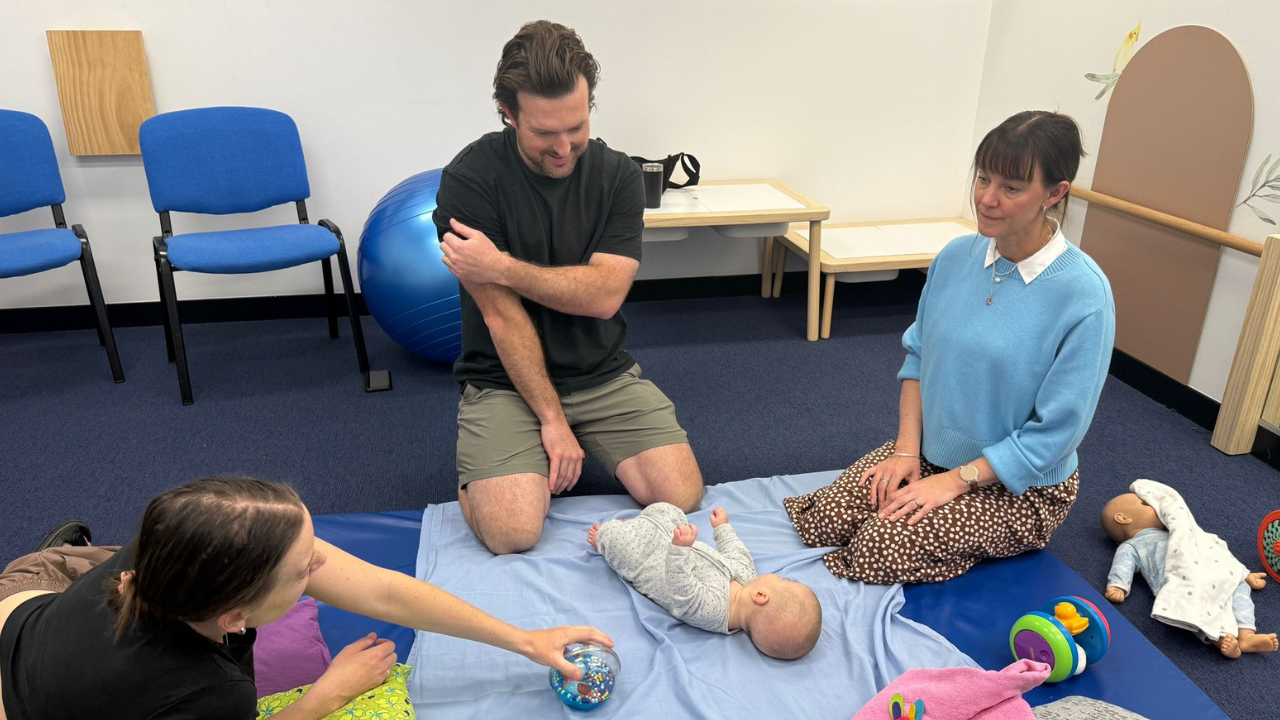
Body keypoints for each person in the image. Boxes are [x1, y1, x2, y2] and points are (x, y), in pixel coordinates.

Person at [784, 110, 1116, 584]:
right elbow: (918, 358)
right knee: (826, 519)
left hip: (1019, 489)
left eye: (1011, 188)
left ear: (1055, 193)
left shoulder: (1084, 295)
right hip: (930, 455)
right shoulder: (955, 258)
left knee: (877, 548)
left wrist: (955, 482)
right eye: (983, 178)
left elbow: (1056, 433)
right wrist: (905, 453)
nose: (986, 198)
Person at [0, 476, 612, 720]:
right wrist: (329, 694)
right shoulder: (211, 694)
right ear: (234, 616)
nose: (320, 565)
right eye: (303, 571)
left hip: (26, 601)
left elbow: (382, 590)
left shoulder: (171, 539)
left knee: (65, 568)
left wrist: (523, 641)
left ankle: (69, 553)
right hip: (32, 681)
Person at [434, 20, 703, 556]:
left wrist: (503, 266)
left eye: (575, 127)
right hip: (503, 378)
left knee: (682, 497)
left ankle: (547, 450)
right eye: (544, 133)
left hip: (601, 372)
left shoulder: (620, 177)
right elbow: (501, 315)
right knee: (511, 534)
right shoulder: (469, 179)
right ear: (508, 115)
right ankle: (482, 478)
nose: (563, 148)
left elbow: (604, 296)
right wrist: (552, 420)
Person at [587, 503, 821, 660]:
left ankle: (602, 540)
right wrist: (722, 528)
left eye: (782, 580)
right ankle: (641, 524)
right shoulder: (748, 579)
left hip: (646, 559)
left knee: (618, 541)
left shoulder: (712, 612)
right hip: (674, 537)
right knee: (668, 510)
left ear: (761, 596)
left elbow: (680, 587)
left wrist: (680, 549)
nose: (777, 575)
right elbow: (737, 552)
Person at [1101, 481, 1277, 658]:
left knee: (1239, 587)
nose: (1157, 505)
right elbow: (1123, 564)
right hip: (1184, 577)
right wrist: (1118, 585)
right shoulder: (1133, 545)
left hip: (1210, 568)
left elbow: (1212, 550)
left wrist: (1243, 573)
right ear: (1123, 518)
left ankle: (1247, 635)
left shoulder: (1177, 531)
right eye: (1146, 504)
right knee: (1190, 602)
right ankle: (1221, 639)